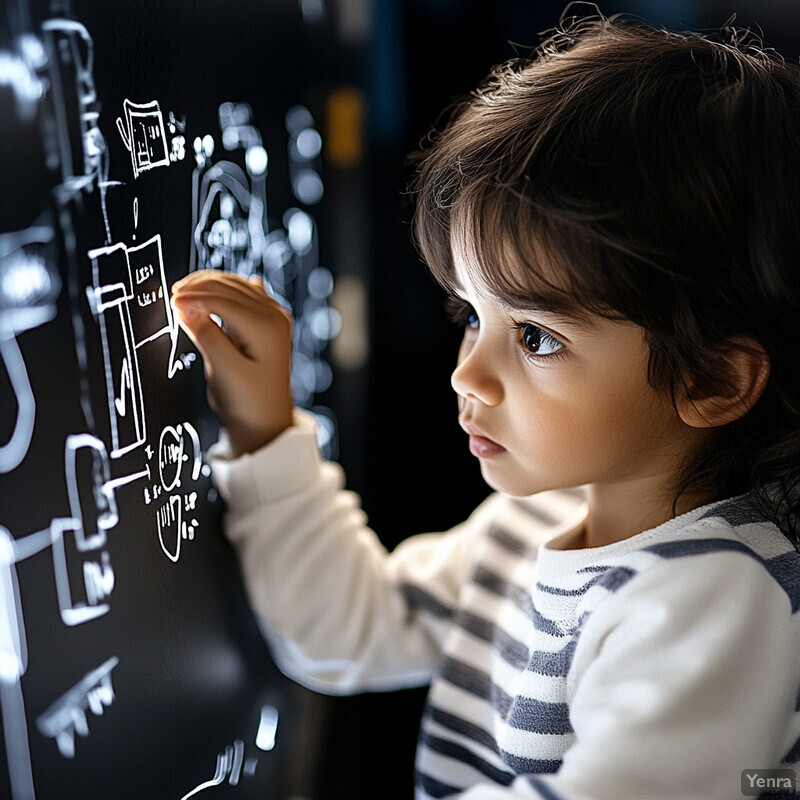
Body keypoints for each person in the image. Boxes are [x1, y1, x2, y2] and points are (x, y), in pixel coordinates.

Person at [171, 11, 800, 799]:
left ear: (710, 381)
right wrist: (264, 432)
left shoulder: (719, 601)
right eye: (473, 316)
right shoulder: (533, 525)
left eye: (535, 337)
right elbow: (349, 628)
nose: (468, 374)